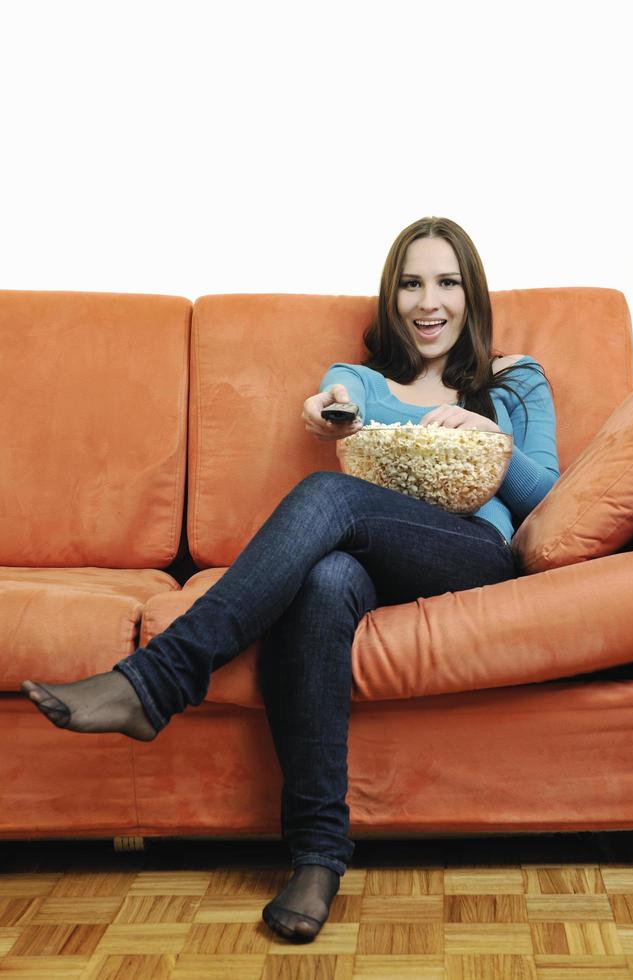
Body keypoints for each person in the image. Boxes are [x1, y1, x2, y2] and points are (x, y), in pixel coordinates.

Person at [21, 216, 560, 943]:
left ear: (471, 293)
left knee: (327, 497)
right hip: (374, 560)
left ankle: (160, 679)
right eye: (410, 284)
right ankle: (318, 856)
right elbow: (332, 396)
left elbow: (545, 497)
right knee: (324, 582)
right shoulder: (367, 382)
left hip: (472, 554)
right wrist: (326, 410)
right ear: (389, 296)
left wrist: (493, 437)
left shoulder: (512, 378)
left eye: (445, 283)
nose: (427, 302)